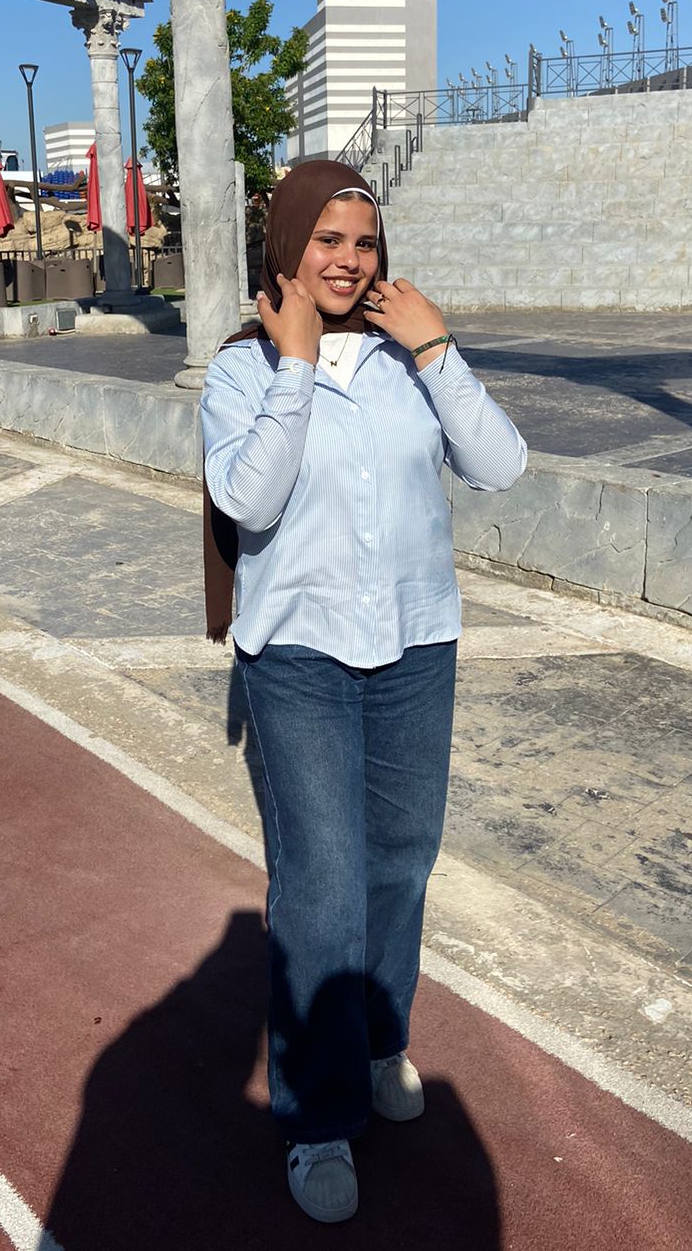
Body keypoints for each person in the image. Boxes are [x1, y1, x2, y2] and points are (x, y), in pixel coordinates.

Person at [200, 159, 527, 1224]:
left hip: (415, 646)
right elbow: (248, 501)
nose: (347, 260)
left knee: (402, 860)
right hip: (299, 655)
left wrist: (436, 346)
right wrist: (295, 367)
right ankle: (317, 1118)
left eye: (365, 242)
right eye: (327, 239)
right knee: (323, 883)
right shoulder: (241, 370)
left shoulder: (405, 359)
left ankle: (382, 1041)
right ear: (287, 247)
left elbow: (500, 464)